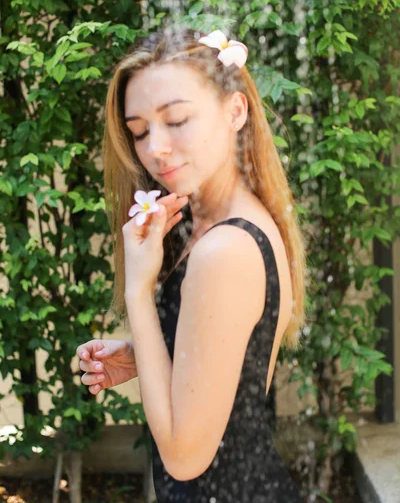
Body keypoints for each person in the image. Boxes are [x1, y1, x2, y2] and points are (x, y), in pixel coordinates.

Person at [76, 27, 307, 502]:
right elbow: (236, 363)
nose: (154, 148)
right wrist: (150, 352)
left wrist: (139, 295)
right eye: (139, 131)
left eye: (177, 120)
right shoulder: (225, 221)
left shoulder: (224, 250)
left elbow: (184, 458)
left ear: (235, 111)